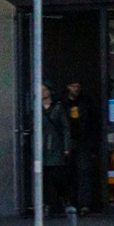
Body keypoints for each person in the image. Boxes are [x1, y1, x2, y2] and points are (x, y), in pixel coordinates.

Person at [63, 79, 104, 214]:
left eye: (78, 86)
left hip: (83, 141)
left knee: (84, 172)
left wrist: (93, 144)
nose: (76, 88)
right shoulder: (63, 103)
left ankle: (84, 203)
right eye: (73, 86)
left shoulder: (86, 102)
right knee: (69, 173)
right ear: (68, 87)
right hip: (69, 141)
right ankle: (71, 201)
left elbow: (94, 123)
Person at [38, 85, 66, 214]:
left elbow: (65, 128)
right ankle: (47, 203)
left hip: (55, 146)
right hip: (40, 148)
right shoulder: (36, 108)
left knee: (56, 176)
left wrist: (67, 147)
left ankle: (57, 202)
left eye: (44, 89)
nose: (42, 92)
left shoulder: (58, 108)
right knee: (43, 178)